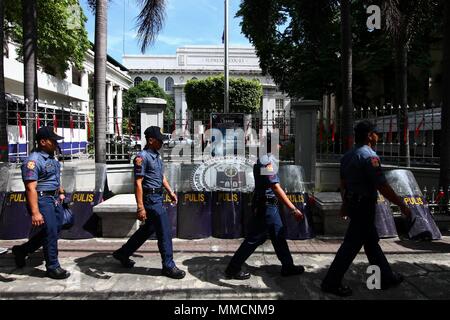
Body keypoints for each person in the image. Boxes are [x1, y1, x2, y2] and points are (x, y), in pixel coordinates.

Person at [321, 120, 411, 297]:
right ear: (370, 135)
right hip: (364, 206)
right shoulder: (370, 157)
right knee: (351, 245)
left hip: (354, 204)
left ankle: (385, 277)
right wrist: (402, 204)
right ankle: (331, 282)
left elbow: (343, 184)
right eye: (377, 133)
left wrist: (345, 205)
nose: (379, 136)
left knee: (371, 243)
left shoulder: (347, 156)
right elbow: (382, 186)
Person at [224, 136, 305, 280]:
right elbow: (274, 186)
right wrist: (293, 209)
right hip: (266, 206)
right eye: (279, 144)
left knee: (278, 235)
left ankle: (288, 266)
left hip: (268, 205)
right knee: (254, 238)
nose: (281, 147)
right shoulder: (266, 161)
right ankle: (233, 268)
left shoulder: (266, 159)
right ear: (273, 145)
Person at [112, 126, 186, 279]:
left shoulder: (156, 156)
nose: (162, 143)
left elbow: (161, 176)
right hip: (151, 199)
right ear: (151, 140)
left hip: (158, 196)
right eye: (159, 140)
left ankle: (122, 253)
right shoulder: (142, 157)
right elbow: (138, 183)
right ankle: (168, 266)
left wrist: (170, 192)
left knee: (147, 230)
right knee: (165, 231)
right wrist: (140, 208)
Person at [11, 126, 70, 279]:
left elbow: (54, 178)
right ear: (43, 142)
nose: (56, 144)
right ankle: (53, 267)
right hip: (42, 199)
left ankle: (22, 250)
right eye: (53, 141)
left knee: (54, 230)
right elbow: (30, 188)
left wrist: (61, 192)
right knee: (50, 233)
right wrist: (35, 212)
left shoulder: (51, 157)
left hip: (55, 198)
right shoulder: (33, 161)